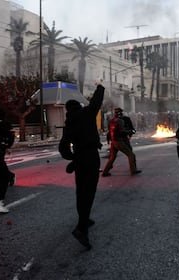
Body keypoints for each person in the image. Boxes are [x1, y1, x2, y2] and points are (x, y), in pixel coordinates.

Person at [58, 81, 105, 250]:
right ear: (78, 106)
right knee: (89, 192)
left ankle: (84, 219)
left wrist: (72, 157)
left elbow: (63, 147)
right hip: (91, 156)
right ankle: (82, 228)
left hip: (79, 159)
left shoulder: (69, 123)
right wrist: (99, 87)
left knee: (81, 191)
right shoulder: (87, 113)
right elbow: (96, 102)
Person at [101, 107, 141, 177]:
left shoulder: (111, 120)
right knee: (131, 155)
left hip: (113, 141)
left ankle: (105, 171)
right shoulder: (120, 121)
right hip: (120, 141)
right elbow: (122, 131)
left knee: (112, 157)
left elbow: (109, 132)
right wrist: (131, 131)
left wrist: (109, 140)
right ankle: (133, 170)